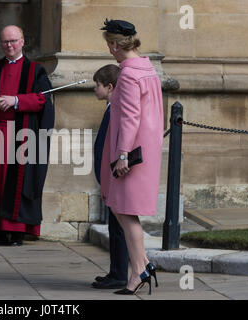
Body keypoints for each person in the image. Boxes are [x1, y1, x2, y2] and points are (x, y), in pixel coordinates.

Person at [0, 25, 54, 246]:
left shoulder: (36, 71)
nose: (9, 46)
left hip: (23, 138)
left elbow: (42, 99)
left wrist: (16, 101)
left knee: (18, 183)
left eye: (13, 41)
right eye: (5, 42)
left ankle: (17, 233)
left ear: (23, 41)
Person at [99, 19, 162, 295]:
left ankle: (138, 271)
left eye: (109, 45)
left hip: (131, 153)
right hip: (145, 150)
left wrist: (122, 154)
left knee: (125, 210)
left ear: (114, 44)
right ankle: (143, 264)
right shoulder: (147, 68)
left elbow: (129, 118)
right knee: (122, 208)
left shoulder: (127, 74)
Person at [91, 64, 129, 290]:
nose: (95, 89)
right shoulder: (109, 108)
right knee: (114, 228)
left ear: (110, 86)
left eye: (97, 85)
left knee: (118, 229)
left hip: (115, 177)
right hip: (108, 178)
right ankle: (115, 271)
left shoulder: (117, 109)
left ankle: (120, 274)